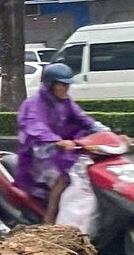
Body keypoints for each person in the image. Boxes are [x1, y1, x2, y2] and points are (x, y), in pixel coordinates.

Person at [15, 63, 105, 224]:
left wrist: (105, 131)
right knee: (62, 179)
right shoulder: (33, 104)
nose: (66, 88)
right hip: (39, 154)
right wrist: (57, 142)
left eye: (67, 84)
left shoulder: (65, 102)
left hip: (64, 152)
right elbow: (36, 128)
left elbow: (83, 119)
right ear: (50, 85)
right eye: (62, 84)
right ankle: (49, 222)